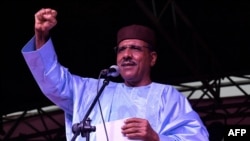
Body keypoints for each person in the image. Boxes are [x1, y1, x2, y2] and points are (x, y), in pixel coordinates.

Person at [21, 8, 209, 141]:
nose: (126, 55)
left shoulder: (168, 97)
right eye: (121, 49)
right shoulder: (92, 91)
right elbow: (53, 82)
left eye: (135, 48)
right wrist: (41, 35)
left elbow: (197, 138)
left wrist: (156, 138)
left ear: (152, 58)